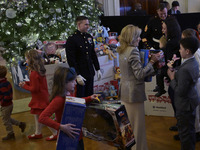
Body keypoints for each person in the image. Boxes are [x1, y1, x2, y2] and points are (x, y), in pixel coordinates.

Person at [117, 24, 161, 150]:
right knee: (137, 127)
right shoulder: (133, 51)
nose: (139, 39)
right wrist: (152, 61)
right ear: (131, 37)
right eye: (137, 37)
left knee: (127, 126)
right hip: (134, 94)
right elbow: (140, 74)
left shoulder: (122, 50)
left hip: (125, 92)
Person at [39, 66, 98, 150]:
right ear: (64, 83)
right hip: (67, 138)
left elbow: (75, 101)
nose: (75, 83)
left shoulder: (70, 93)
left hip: (77, 135)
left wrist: (89, 98)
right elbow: (42, 118)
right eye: (72, 81)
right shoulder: (58, 99)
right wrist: (61, 127)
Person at [167, 37, 200, 150]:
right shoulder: (193, 62)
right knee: (190, 131)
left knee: (185, 134)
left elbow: (180, 91)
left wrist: (172, 78)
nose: (179, 51)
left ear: (187, 51)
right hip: (191, 101)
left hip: (185, 104)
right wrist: (176, 74)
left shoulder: (186, 68)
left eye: (181, 49)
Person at [19, 49, 57, 140]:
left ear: (31, 59)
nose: (26, 60)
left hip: (39, 99)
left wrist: (24, 86)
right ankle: (38, 132)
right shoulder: (39, 70)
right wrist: (27, 83)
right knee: (37, 116)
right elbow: (36, 84)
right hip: (42, 96)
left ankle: (55, 133)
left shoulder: (34, 73)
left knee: (43, 118)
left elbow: (34, 89)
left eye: (26, 58)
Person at [65, 16, 102, 98]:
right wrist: (77, 74)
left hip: (89, 71)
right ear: (79, 24)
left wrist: (97, 68)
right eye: (86, 24)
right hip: (80, 73)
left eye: (88, 24)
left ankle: (89, 110)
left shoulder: (89, 37)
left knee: (90, 95)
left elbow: (93, 54)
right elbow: (71, 59)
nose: (88, 26)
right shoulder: (72, 39)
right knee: (81, 96)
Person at [153, 17, 181, 97]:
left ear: (170, 29)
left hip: (172, 69)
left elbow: (168, 59)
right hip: (177, 69)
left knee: (159, 72)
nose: (163, 31)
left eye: (164, 28)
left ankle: (160, 88)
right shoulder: (179, 38)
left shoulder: (170, 43)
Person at [0, 65, 26, 140]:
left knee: (5, 120)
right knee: (7, 118)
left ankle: (10, 133)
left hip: (6, 105)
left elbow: (7, 96)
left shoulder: (2, 85)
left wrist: (2, 101)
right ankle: (20, 124)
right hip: (9, 104)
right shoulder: (6, 82)